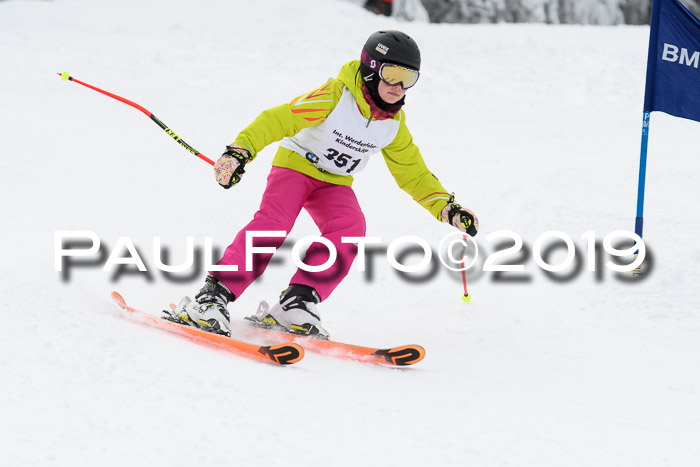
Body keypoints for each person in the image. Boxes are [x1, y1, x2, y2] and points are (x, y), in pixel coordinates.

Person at [169, 30, 478, 339]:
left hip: (334, 182)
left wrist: (446, 208)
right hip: (296, 167)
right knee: (274, 223)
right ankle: (212, 296)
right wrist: (240, 151)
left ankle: (298, 299)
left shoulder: (393, 126)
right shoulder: (335, 96)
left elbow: (413, 173)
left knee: (351, 226)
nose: (398, 87)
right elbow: (278, 119)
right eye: (392, 74)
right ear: (371, 68)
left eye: (408, 78)